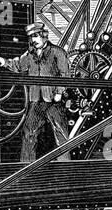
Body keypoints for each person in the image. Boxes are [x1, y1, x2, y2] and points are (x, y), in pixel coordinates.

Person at [15, 22, 72, 163]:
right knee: (29, 133)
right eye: (31, 37)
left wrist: (59, 92)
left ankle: (66, 168)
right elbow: (18, 65)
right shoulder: (30, 54)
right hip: (36, 99)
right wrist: (4, 62)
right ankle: (26, 167)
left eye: (35, 36)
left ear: (44, 36)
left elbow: (65, 74)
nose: (33, 40)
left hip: (53, 100)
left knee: (61, 134)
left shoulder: (58, 52)